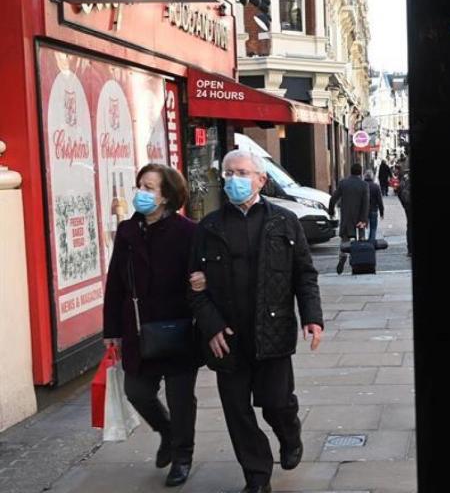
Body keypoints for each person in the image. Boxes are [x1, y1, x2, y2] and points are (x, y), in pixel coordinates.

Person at [188, 150, 324, 493]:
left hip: (273, 331)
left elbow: (304, 275)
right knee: (238, 412)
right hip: (228, 336)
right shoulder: (209, 227)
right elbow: (193, 286)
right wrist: (211, 325)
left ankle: (289, 435)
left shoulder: (284, 221)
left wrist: (313, 318)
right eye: (229, 173)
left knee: (277, 403)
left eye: (242, 173)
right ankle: (257, 476)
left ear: (261, 180)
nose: (234, 179)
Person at [102, 163, 199, 488]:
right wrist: (111, 331)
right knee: (137, 391)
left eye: (149, 188)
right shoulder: (129, 232)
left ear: (167, 196)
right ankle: (167, 431)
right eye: (140, 186)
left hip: (178, 328)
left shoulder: (188, 232)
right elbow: (115, 283)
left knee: (181, 398)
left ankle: (182, 457)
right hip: (138, 329)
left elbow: (200, 281)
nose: (141, 193)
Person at [328, 163, 369, 274]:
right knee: (360, 241)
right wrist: (364, 220)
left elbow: (333, 199)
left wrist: (331, 211)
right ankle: (356, 260)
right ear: (360, 172)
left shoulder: (343, 183)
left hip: (347, 217)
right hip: (360, 217)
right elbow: (366, 204)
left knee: (345, 240)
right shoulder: (364, 185)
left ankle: (343, 255)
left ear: (350, 171)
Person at [364, 171, 385, 242]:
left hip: (363, 211)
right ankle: (371, 243)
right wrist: (382, 212)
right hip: (373, 210)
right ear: (372, 177)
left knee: (362, 228)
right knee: (373, 228)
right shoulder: (376, 186)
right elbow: (380, 200)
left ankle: (363, 244)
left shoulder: (362, 185)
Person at [397, 171, 412, 257]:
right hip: (408, 207)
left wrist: (404, 206)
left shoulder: (404, 182)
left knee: (409, 227)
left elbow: (399, 193)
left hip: (408, 207)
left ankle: (410, 249)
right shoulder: (405, 183)